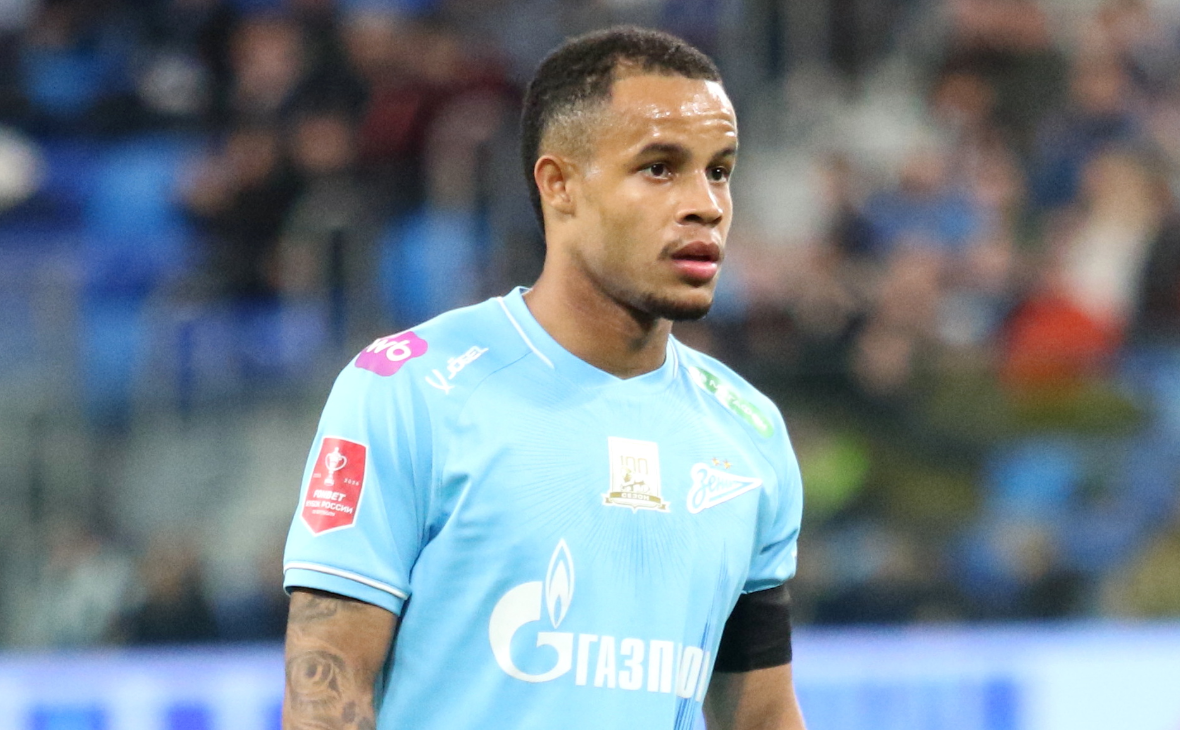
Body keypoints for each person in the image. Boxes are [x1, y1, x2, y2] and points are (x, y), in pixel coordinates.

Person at [281, 26, 807, 730]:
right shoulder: (411, 389)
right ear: (559, 184)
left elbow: (763, 716)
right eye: (659, 168)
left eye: (719, 170)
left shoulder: (748, 432)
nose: (706, 204)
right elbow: (326, 689)